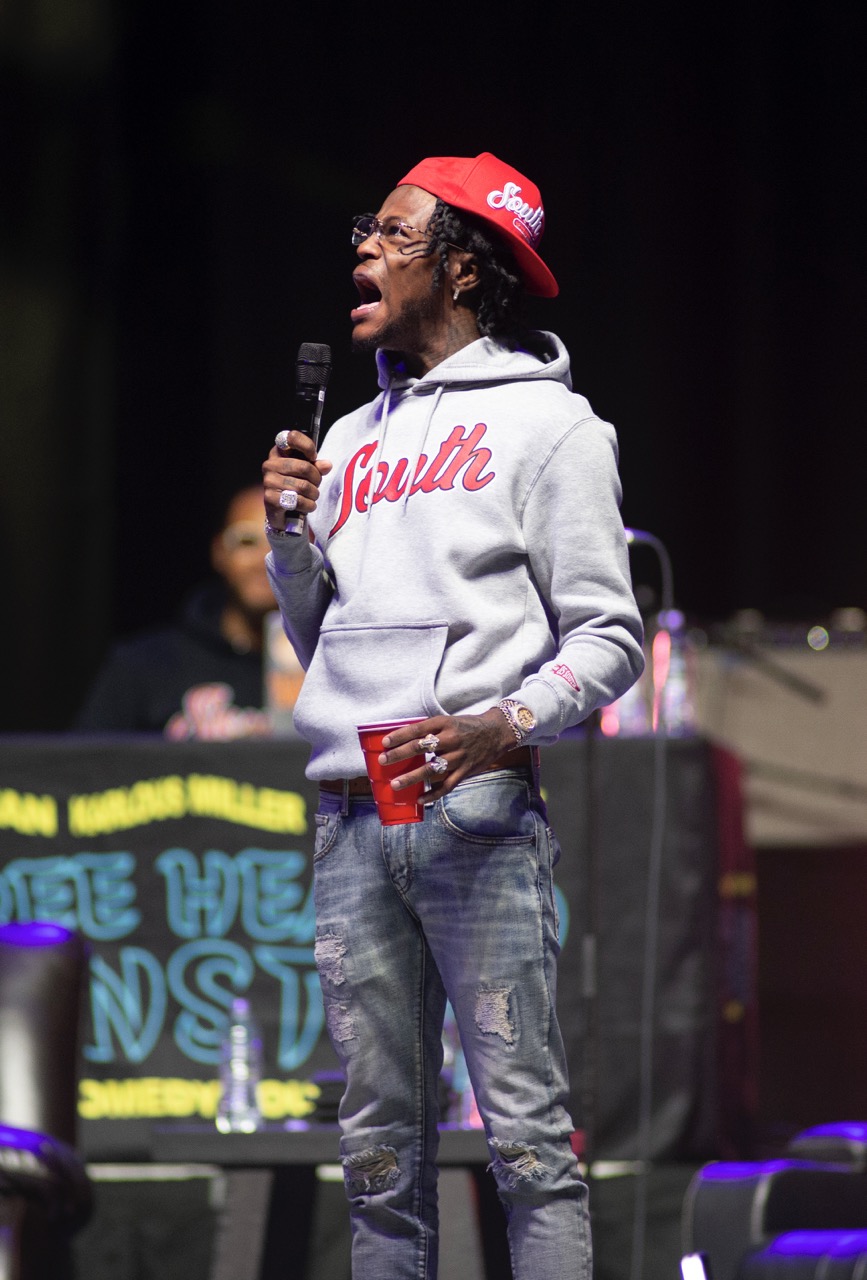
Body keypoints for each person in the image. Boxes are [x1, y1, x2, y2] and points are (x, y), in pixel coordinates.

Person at [262, 152, 644, 1280]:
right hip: (350, 811)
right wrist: (290, 543)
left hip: (470, 806)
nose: (363, 247)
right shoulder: (348, 438)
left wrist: (504, 723)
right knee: (377, 1153)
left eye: (392, 231)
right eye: (366, 229)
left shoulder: (553, 428)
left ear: (464, 266)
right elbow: (320, 643)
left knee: (525, 1141)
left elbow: (610, 636)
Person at [74, 484, 276, 738]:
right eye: (246, 541)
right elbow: (86, 759)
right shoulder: (141, 665)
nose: (263, 559)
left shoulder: (321, 665)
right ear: (219, 552)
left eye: (283, 541)